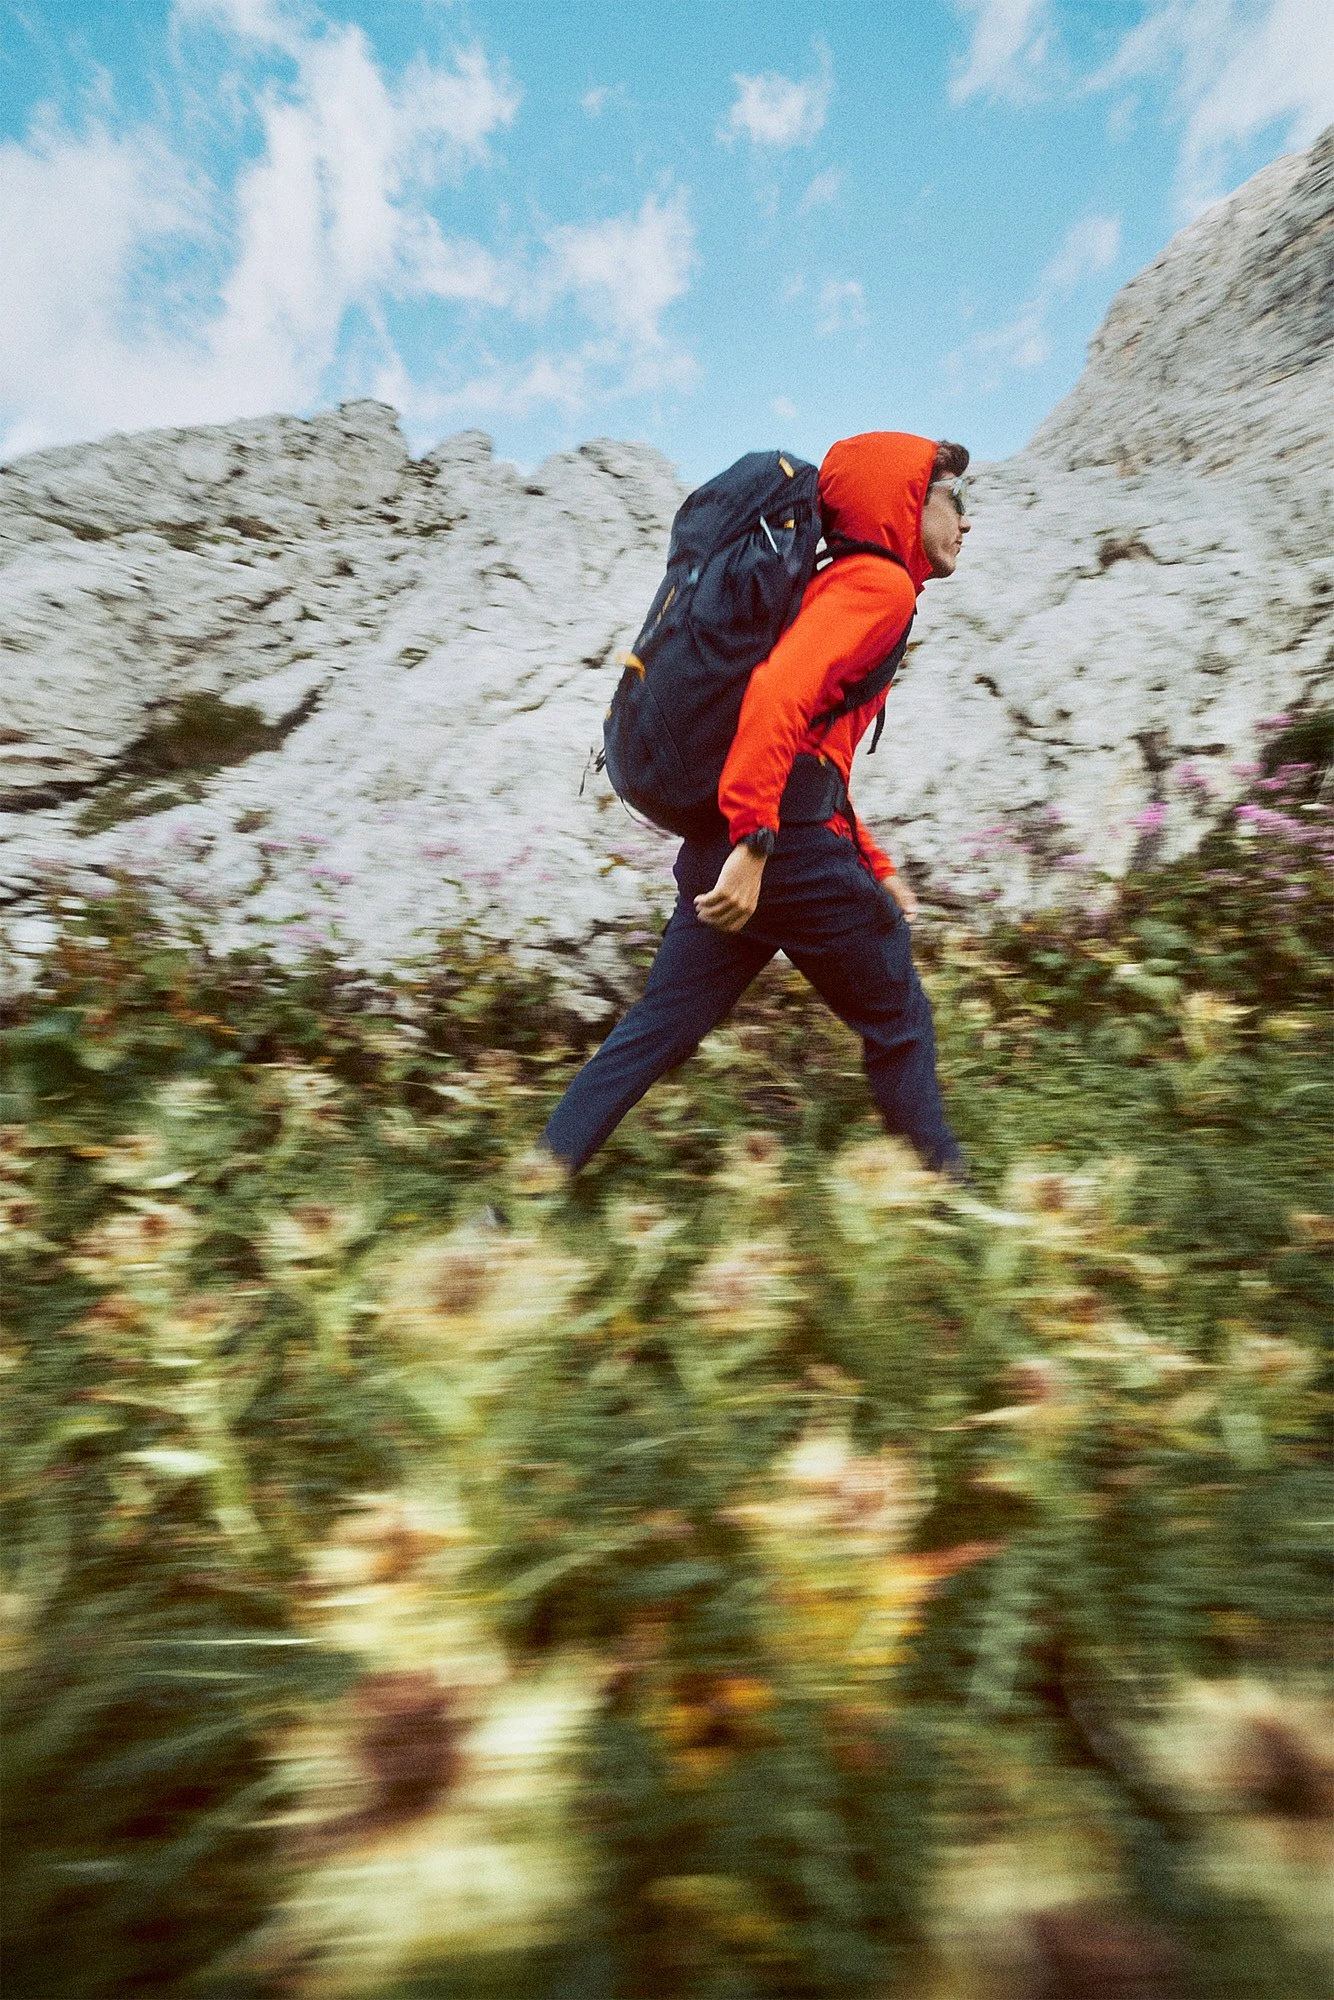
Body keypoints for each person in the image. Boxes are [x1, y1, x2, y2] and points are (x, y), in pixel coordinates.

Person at [538, 430, 972, 1179]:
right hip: (774, 850)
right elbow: (776, 695)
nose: (967, 521)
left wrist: (872, 861)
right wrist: (756, 843)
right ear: (907, 500)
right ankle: (946, 1199)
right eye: (954, 499)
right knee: (899, 1021)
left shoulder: (834, 586)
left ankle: (532, 1185)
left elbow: (816, 756)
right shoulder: (879, 587)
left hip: (738, 840)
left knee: (657, 1028)